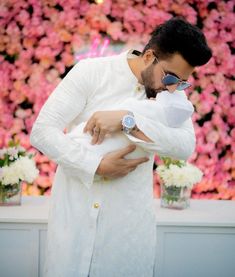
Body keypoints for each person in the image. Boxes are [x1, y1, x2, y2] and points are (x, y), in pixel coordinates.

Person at [30, 17, 212, 277]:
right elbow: (42, 131)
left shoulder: (173, 93)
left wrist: (128, 121)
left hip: (127, 234)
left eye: (182, 81)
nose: (172, 87)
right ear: (149, 56)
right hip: (75, 223)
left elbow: (185, 146)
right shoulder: (91, 72)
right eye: (171, 77)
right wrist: (96, 166)